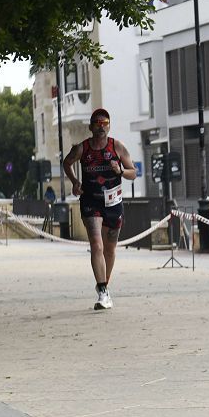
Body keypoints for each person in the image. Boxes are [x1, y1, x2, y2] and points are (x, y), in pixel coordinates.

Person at [63, 108, 136, 310]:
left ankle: (104, 286)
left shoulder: (117, 147)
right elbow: (66, 162)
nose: (101, 127)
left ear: (109, 126)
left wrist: (120, 170)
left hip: (113, 202)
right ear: (91, 126)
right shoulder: (83, 149)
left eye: (105, 123)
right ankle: (103, 291)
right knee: (97, 244)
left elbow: (133, 173)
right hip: (91, 201)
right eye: (97, 123)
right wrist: (75, 182)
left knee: (110, 249)